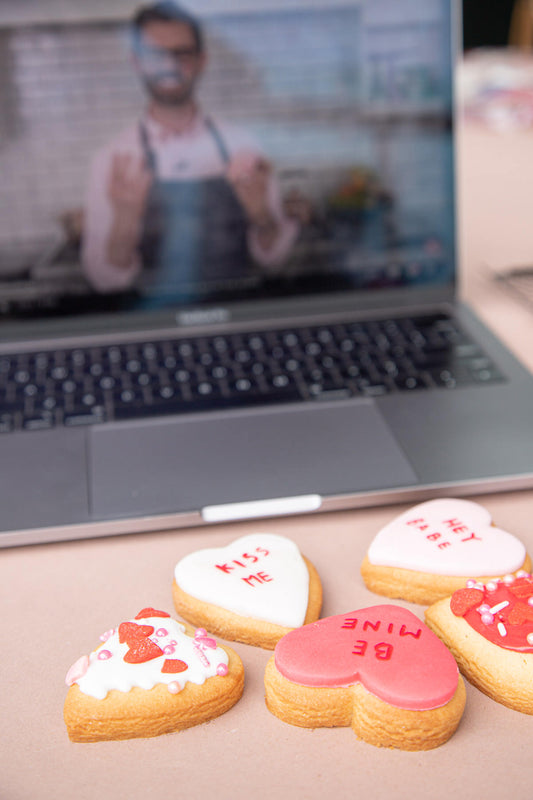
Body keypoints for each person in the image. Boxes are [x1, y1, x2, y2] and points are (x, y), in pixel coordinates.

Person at [82, 1, 298, 297]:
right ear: (136, 62)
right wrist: (125, 221)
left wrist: (263, 217)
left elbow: (275, 261)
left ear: (201, 60)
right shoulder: (112, 158)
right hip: (157, 326)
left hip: (238, 313)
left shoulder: (243, 146)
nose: (169, 66)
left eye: (181, 54)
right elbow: (105, 281)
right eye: (155, 54)